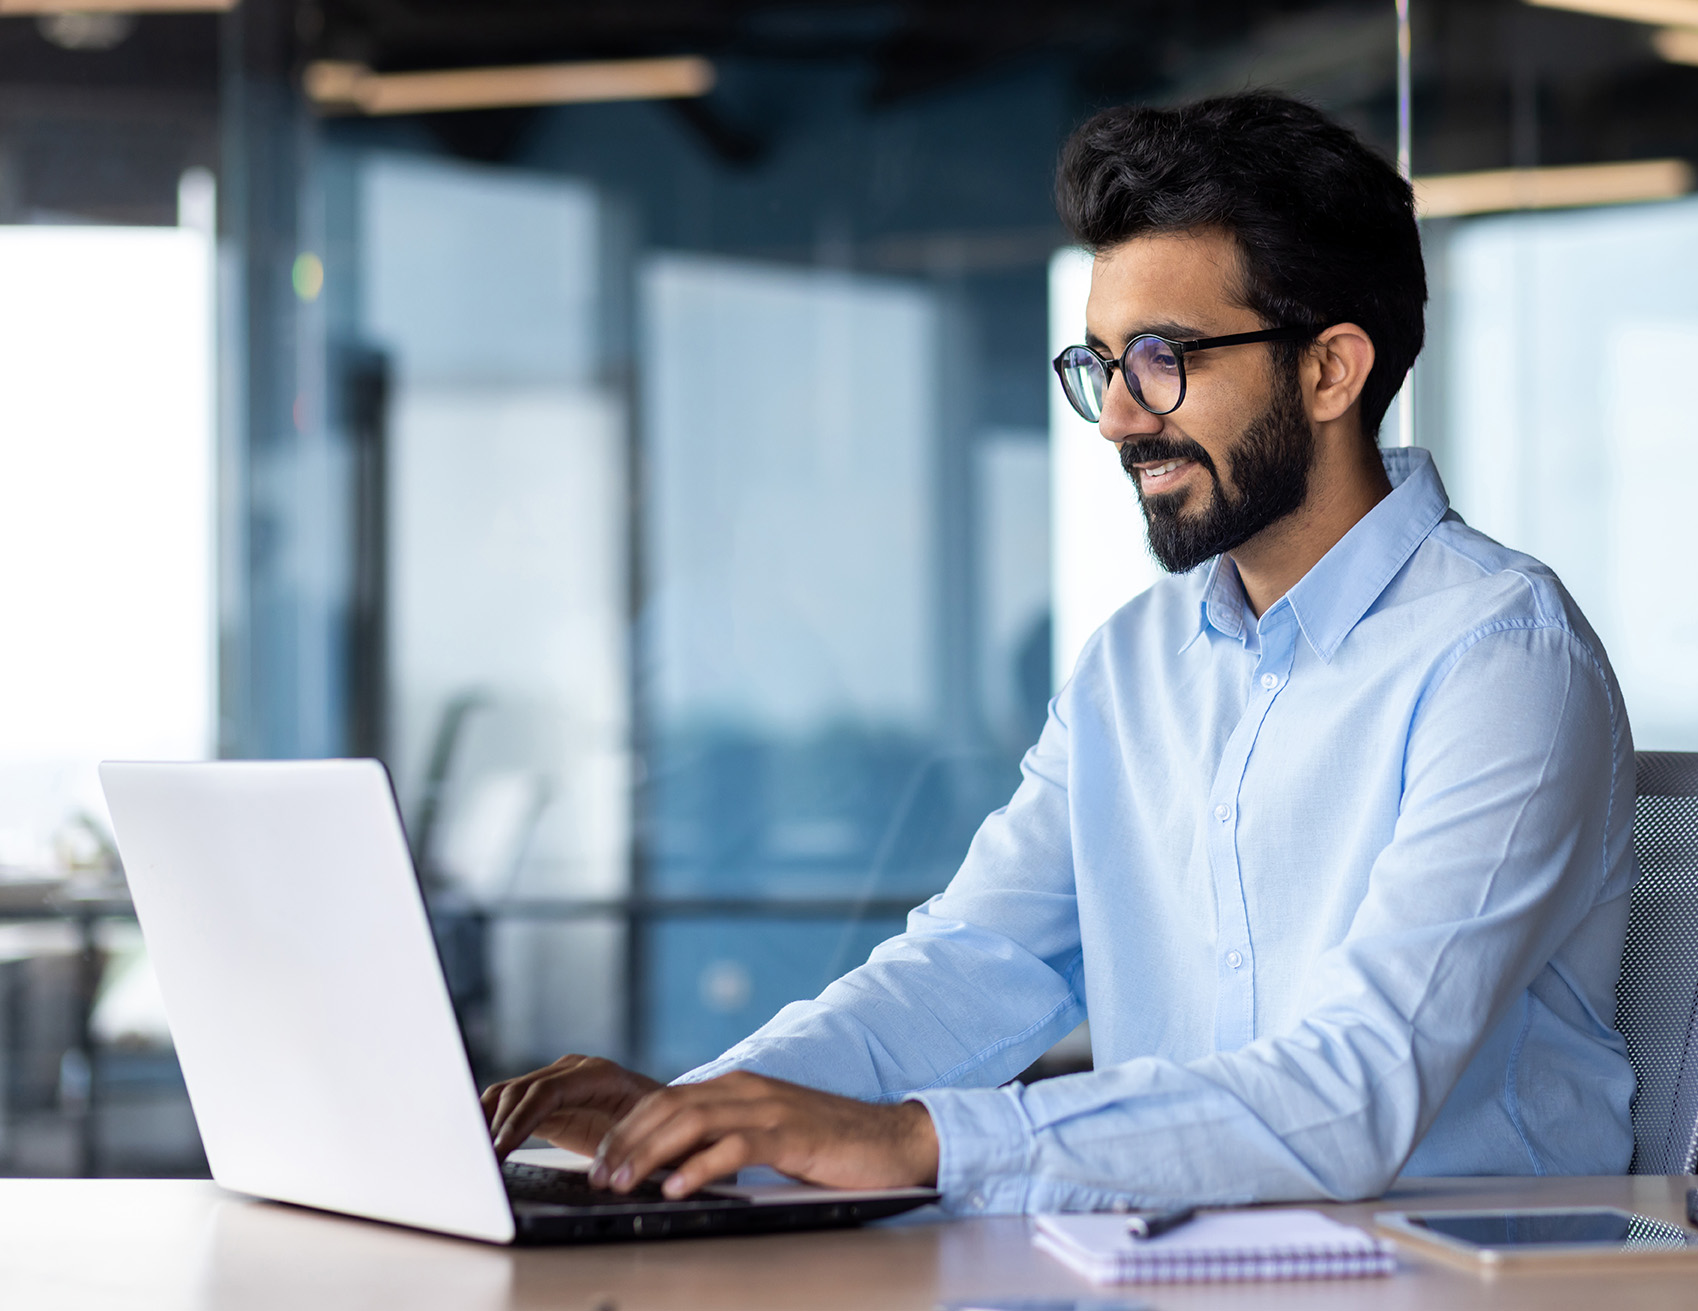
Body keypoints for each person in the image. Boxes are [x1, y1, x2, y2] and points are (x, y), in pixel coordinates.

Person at [483, 92, 1636, 1214]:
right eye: (1099, 366)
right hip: (1173, 1263)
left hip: (1447, 1278)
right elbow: (976, 963)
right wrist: (699, 1115)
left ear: (1329, 370)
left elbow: (1356, 1091)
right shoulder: (1137, 664)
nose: (1123, 418)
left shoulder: (1501, 659)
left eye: (1161, 358)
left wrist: (913, 1140)